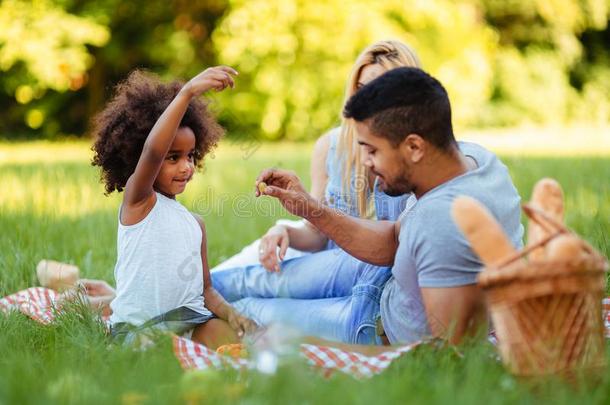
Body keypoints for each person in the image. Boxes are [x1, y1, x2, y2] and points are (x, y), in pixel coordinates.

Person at [251, 67, 524, 347]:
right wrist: (309, 207)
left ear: (414, 147)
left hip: (369, 326)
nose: (366, 162)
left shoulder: (440, 223)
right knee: (247, 285)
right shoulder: (476, 159)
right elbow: (395, 239)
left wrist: (329, 349)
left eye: (372, 151)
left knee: (251, 314)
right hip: (382, 283)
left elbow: (448, 356)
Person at [212, 40, 421, 272]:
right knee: (221, 277)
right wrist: (285, 231)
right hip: (325, 265)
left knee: (248, 290)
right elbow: (317, 234)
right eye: (360, 89)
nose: (365, 102)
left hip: (362, 276)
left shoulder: (418, 154)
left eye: (377, 91)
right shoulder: (331, 146)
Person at [90, 66, 257, 348]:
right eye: (173, 157)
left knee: (246, 345)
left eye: (190, 156)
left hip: (188, 323)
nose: (186, 167)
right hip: (138, 331)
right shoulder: (139, 202)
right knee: (157, 351)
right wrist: (187, 92)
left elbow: (205, 291)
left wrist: (233, 315)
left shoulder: (196, 224)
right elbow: (153, 150)